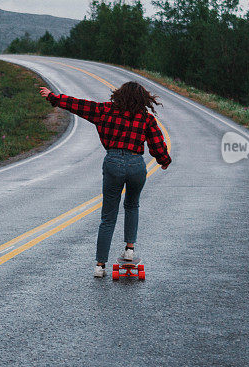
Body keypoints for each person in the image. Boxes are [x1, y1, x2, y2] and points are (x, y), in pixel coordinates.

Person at [39, 81, 171, 278]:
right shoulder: (146, 119)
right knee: (132, 206)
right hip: (136, 165)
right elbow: (157, 144)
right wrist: (164, 160)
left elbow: (78, 105)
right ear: (143, 99)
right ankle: (129, 249)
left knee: (108, 217)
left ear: (119, 95)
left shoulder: (105, 111)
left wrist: (53, 97)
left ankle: (100, 266)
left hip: (113, 162)